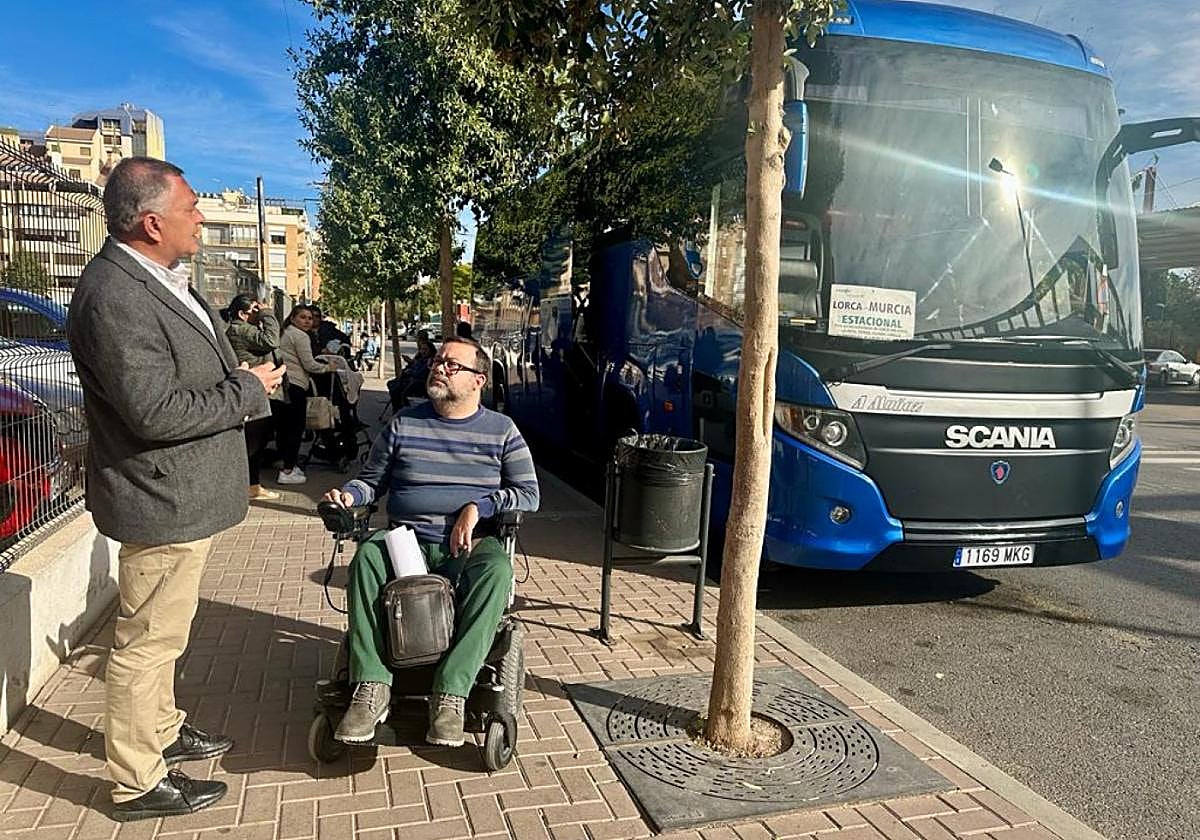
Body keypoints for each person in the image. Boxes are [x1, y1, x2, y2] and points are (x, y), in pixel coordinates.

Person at [65, 157, 286, 821]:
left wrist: (235, 378)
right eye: (191, 208)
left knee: (167, 632)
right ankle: (137, 782)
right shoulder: (114, 294)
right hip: (160, 498)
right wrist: (246, 389)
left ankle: (160, 730)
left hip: (180, 495)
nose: (201, 217)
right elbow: (155, 413)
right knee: (147, 642)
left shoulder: (154, 278)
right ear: (152, 222)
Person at [322, 335, 539, 746]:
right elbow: (371, 482)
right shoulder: (404, 423)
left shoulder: (501, 430)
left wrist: (479, 507)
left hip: (470, 545)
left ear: (478, 380)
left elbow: (529, 494)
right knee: (367, 557)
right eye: (438, 361)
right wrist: (349, 496)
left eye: (452, 364)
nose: (439, 368)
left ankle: (451, 693)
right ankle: (372, 687)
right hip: (407, 542)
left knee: (497, 570)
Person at [223, 294, 282, 501]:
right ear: (242, 314)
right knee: (253, 442)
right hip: (252, 389)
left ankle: (252, 484)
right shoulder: (239, 329)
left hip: (256, 389)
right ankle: (250, 486)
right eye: (255, 311)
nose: (260, 314)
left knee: (257, 441)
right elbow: (271, 340)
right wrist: (268, 314)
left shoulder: (243, 329)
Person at [276, 304, 336, 484]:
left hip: (283, 384)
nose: (307, 321)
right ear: (293, 318)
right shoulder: (300, 336)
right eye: (303, 317)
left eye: (310, 318)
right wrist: (328, 367)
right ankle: (288, 471)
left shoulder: (286, 333)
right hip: (295, 385)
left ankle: (286, 463)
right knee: (295, 429)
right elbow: (309, 364)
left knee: (284, 428)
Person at [386, 329, 435, 410]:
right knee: (392, 384)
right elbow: (416, 364)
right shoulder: (421, 354)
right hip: (412, 377)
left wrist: (411, 369)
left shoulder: (430, 359)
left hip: (418, 382)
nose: (423, 351)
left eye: (425, 350)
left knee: (398, 390)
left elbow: (421, 372)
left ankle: (399, 409)